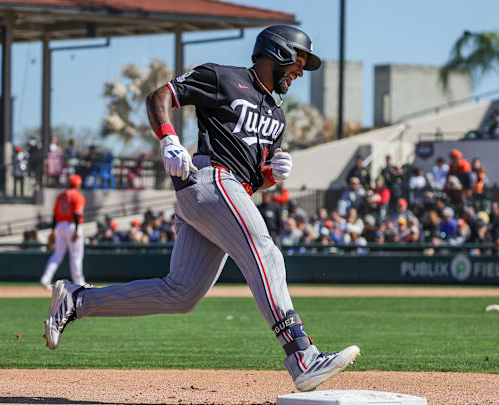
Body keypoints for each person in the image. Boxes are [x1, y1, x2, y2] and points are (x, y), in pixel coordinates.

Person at [42, 25, 359, 392]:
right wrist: (169, 140)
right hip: (209, 179)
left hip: (226, 192)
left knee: (182, 293)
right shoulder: (223, 77)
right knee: (265, 251)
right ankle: (302, 355)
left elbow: (252, 182)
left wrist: (270, 175)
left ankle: (77, 300)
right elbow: (158, 96)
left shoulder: (277, 116)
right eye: (299, 61)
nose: (300, 72)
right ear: (279, 52)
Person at [39, 174, 87, 291]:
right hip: (71, 226)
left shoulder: (60, 196)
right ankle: (79, 283)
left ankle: (46, 278)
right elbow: (76, 214)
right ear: (78, 184)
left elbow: (55, 215)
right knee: (76, 256)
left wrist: (53, 230)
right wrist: (76, 230)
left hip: (60, 226)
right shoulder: (78, 196)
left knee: (57, 255)